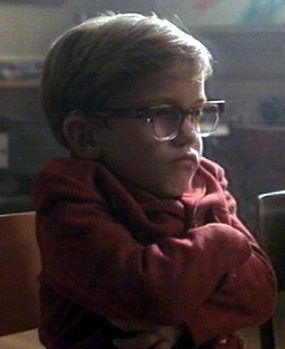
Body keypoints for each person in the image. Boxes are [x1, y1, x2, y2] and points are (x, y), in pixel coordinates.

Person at [33, 12, 277, 349]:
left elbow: (261, 289)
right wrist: (223, 240)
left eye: (196, 112)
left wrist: (188, 325)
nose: (190, 136)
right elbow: (147, 293)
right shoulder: (70, 198)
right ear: (85, 135)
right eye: (163, 114)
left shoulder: (207, 179)